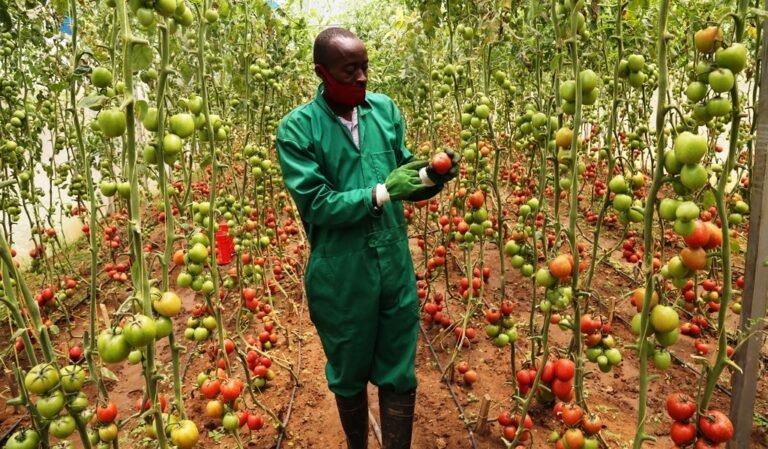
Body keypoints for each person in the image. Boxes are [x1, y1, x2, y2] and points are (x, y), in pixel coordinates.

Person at [276, 27, 459, 449]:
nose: (361, 77)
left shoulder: (385, 111)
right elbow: (317, 203)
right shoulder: (298, 129)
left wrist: (433, 174)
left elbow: (403, 172)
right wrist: (381, 192)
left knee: (399, 366)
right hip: (342, 272)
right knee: (348, 368)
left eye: (365, 67)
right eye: (349, 70)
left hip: (394, 263)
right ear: (323, 72)